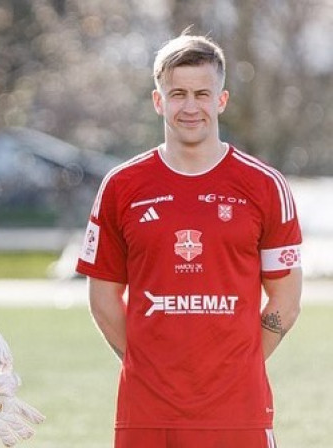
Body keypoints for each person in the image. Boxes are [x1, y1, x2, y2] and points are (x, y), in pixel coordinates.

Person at [76, 31, 303, 448]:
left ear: (222, 100)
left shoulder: (264, 185)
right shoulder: (122, 186)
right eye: (177, 93)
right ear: (158, 100)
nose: (191, 106)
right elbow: (103, 298)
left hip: (238, 412)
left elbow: (286, 301)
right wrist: (147, 365)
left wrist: (239, 365)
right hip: (146, 412)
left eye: (202, 93)